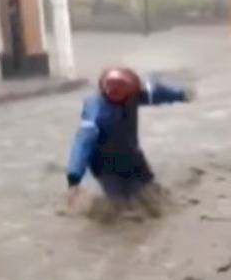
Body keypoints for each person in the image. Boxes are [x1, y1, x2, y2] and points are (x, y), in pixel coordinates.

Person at [66, 67, 194, 217]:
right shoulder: (96, 114)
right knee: (118, 209)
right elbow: (82, 144)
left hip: (133, 157)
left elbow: (154, 94)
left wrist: (181, 95)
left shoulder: (130, 94)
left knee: (152, 194)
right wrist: (74, 178)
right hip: (106, 168)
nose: (137, 95)